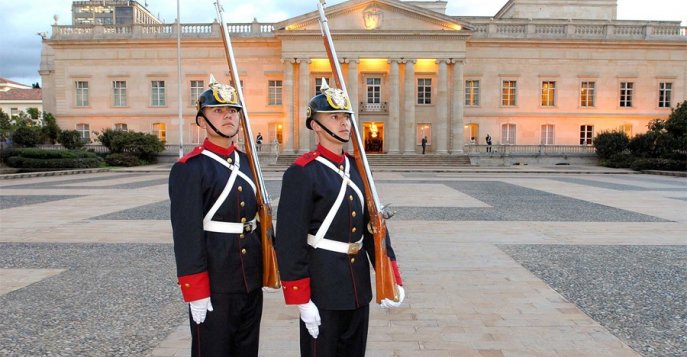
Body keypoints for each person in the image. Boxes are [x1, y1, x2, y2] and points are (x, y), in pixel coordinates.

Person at [275, 80, 405, 357]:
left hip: (357, 286)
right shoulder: (301, 172)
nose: (344, 123)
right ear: (315, 125)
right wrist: (300, 297)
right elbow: (289, 240)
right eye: (334, 117)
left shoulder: (359, 167)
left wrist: (391, 276)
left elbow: (374, 227)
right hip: (322, 286)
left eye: (346, 116)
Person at [168, 77, 264, 357]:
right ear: (201, 121)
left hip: (250, 278)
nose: (228, 116)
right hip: (215, 280)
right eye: (218, 111)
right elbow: (186, 234)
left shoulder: (248, 162)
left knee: (247, 350)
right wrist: (195, 289)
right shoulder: (190, 168)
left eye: (232, 111)